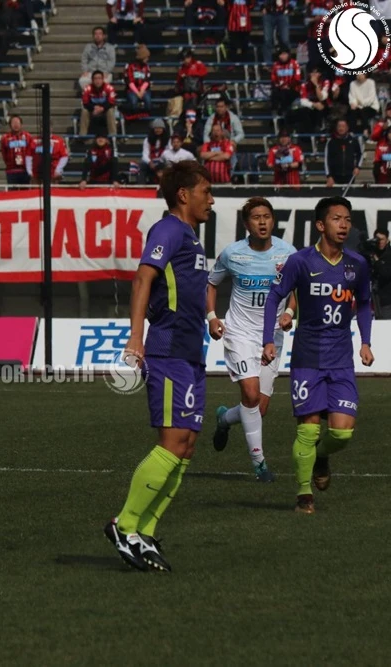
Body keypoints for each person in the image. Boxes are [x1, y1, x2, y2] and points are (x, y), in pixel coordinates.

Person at [104, 160, 214, 572]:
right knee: (172, 442)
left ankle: (144, 532)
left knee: (187, 445)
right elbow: (142, 279)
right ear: (184, 195)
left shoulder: (191, 238)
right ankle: (124, 525)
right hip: (168, 350)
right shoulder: (168, 229)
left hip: (190, 352)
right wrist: (136, 336)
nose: (211, 200)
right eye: (206, 192)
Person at [261, 197, 375, 514]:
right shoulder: (300, 261)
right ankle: (303, 496)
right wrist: (268, 339)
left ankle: (321, 456)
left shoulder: (357, 264)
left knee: (341, 432)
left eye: (347, 219)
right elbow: (274, 296)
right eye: (337, 219)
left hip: (341, 360)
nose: (344, 225)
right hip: (307, 359)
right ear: (321, 225)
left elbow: (364, 303)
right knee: (308, 429)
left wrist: (366, 342)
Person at [208, 197, 297, 481]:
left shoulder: (288, 253)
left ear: (273, 220)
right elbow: (211, 284)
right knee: (250, 393)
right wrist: (212, 317)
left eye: (266, 216)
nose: (262, 222)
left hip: (272, 336)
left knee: (260, 407)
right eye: (256, 217)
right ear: (247, 224)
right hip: (240, 333)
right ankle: (260, 464)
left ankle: (224, 418)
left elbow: (294, 289)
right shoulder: (233, 253)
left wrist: (290, 312)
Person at [324, 119, 362, 187]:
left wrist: (357, 167)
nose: (341, 128)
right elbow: (326, 159)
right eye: (339, 126)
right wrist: (329, 176)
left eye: (343, 126)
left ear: (347, 128)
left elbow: (360, 154)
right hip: (335, 177)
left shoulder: (354, 140)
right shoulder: (331, 142)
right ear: (336, 128)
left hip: (350, 175)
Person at [80, 70, 117, 137]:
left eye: (99, 78)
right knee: (84, 111)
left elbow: (111, 102)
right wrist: (93, 108)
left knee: (110, 111)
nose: (97, 81)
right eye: (95, 78)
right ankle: (82, 136)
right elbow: (85, 102)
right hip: (93, 111)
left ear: (103, 79)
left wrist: (102, 108)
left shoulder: (109, 88)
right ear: (92, 80)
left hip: (105, 110)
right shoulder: (87, 89)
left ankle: (113, 136)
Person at [0, 114, 34, 186]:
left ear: (21, 124)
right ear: (10, 125)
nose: (16, 125)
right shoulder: (5, 138)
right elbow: (4, 154)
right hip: (11, 171)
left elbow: (31, 152)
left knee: (25, 191)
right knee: (13, 191)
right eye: (14, 123)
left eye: (17, 123)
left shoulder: (28, 136)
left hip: (25, 171)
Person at [79, 26, 116, 91]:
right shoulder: (88, 47)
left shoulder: (110, 48)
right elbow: (84, 59)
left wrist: (107, 71)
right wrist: (85, 71)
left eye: (100, 34)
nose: (98, 36)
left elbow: (111, 61)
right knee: (82, 81)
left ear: (104, 36)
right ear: (93, 36)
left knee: (104, 82)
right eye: (95, 34)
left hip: (104, 72)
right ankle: (89, 95)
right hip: (91, 72)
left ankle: (100, 96)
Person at [270, 48, 301, 116]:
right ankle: (275, 115)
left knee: (286, 95)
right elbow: (273, 79)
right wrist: (278, 86)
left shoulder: (294, 63)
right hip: (280, 89)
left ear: (288, 54)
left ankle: (284, 114)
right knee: (274, 94)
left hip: (293, 89)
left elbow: (297, 78)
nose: (282, 56)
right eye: (280, 54)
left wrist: (289, 86)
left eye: (284, 54)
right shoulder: (275, 65)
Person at [124, 45, 152, 116]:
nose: (148, 59)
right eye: (146, 57)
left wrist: (142, 90)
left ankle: (145, 116)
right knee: (133, 103)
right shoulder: (130, 66)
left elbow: (147, 80)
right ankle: (134, 117)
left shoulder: (146, 66)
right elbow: (129, 81)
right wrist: (137, 92)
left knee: (148, 102)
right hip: (132, 90)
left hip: (144, 90)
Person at [140, 118, 168, 185]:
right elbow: (145, 154)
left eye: (160, 128)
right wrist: (149, 162)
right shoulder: (147, 140)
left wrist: (161, 161)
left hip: (162, 161)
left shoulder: (167, 140)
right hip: (151, 161)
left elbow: (168, 153)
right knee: (143, 165)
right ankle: (141, 186)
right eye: (156, 128)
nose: (158, 130)